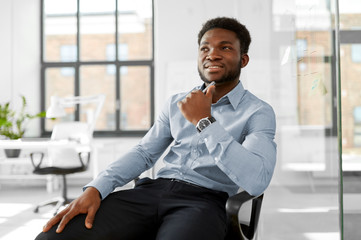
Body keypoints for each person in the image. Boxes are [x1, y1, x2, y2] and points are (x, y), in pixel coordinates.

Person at [35, 16, 276, 240]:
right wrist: (97, 188)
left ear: (243, 59)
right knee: (52, 236)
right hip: (150, 192)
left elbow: (256, 180)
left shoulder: (258, 112)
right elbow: (144, 153)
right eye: (205, 48)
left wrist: (205, 122)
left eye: (225, 47)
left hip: (204, 202)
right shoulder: (176, 102)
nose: (212, 54)